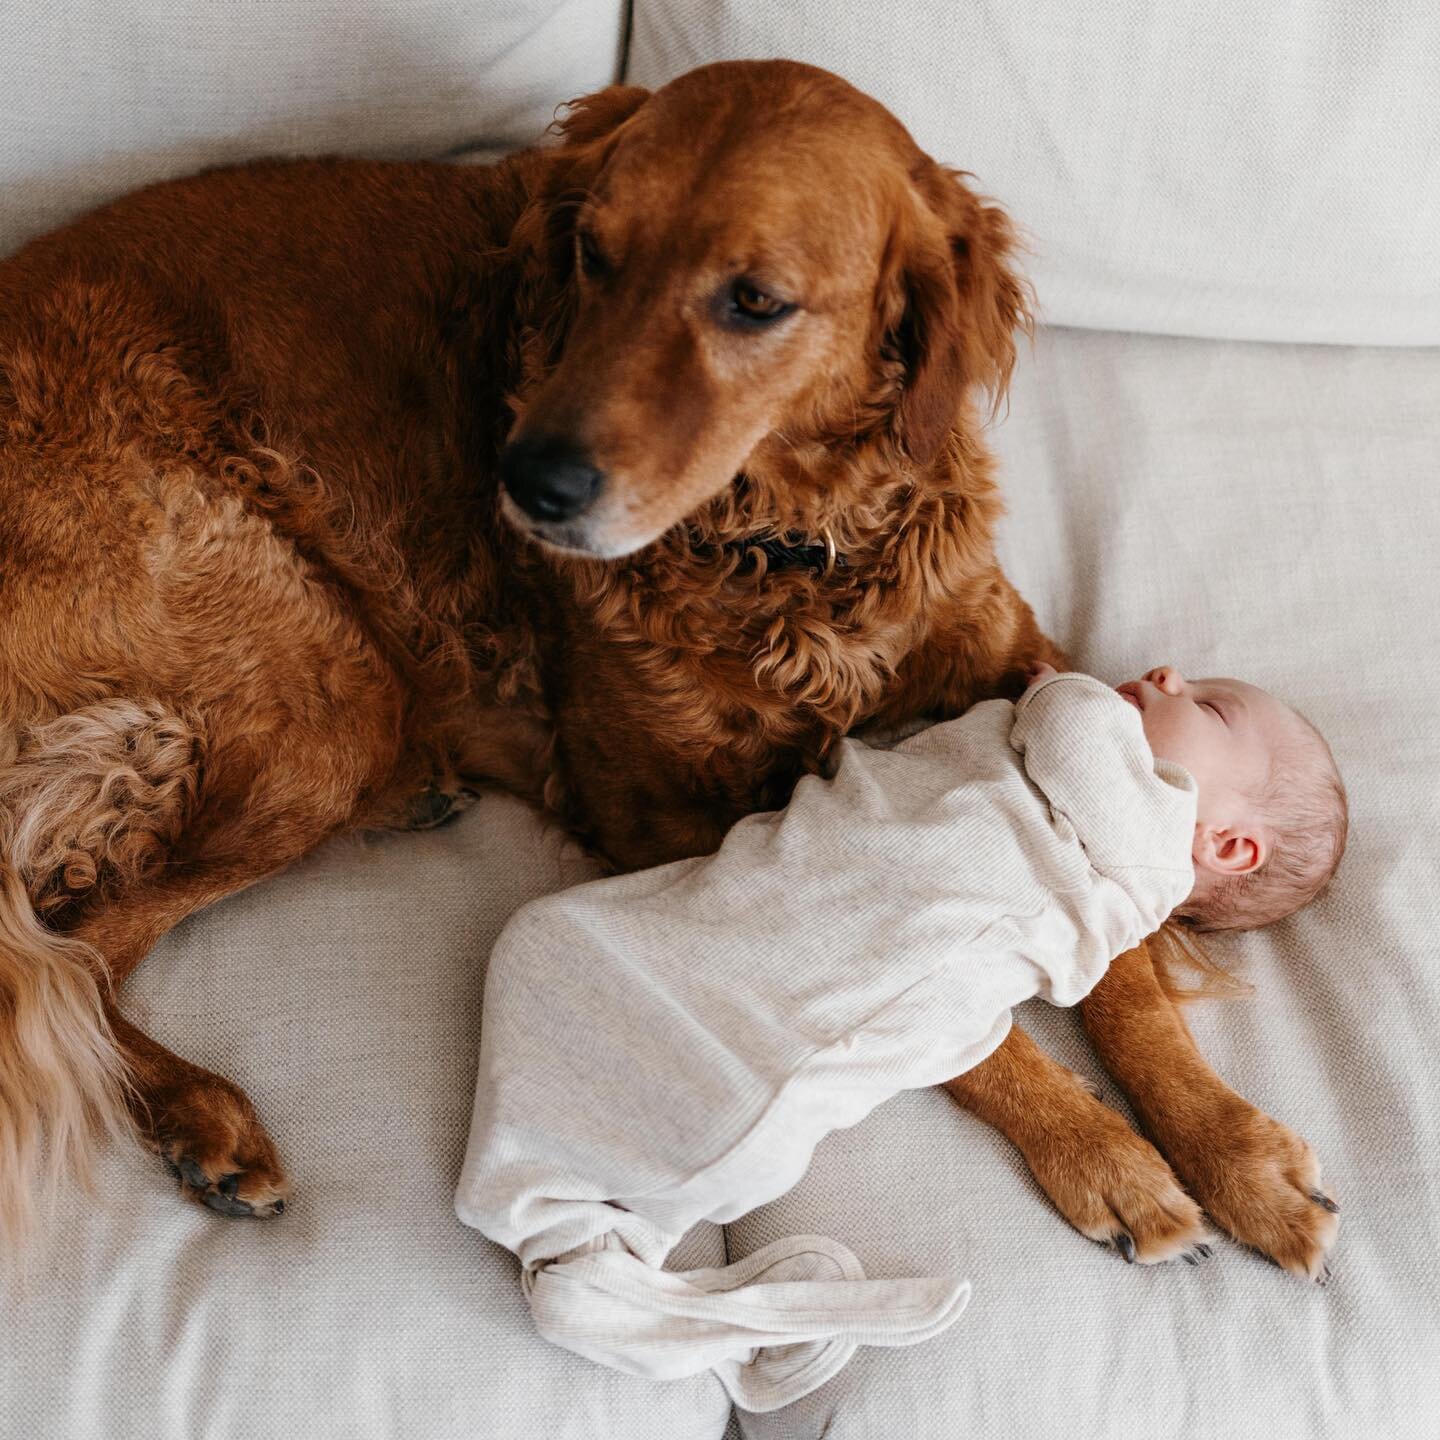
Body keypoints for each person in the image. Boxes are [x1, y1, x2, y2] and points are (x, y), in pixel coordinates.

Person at [455, 664, 1347, 1411]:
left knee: (748, 1071)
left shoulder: (1120, 801)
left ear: (1226, 848)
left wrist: (1165, 1104)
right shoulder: (1096, 745)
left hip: (792, 985)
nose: (1165, 674)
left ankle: (598, 1260)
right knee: (553, 945)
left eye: (1215, 705)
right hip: (789, 881)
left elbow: (1039, 915)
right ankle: (587, 1251)